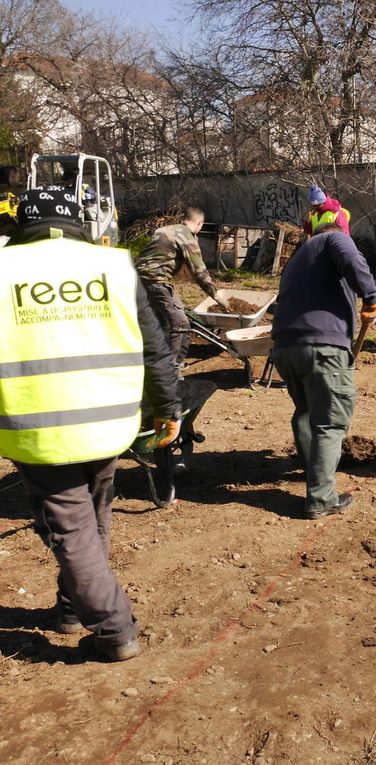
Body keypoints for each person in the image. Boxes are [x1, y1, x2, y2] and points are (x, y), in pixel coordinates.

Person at [0, 187, 181, 662]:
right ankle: (71, 608)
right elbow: (155, 347)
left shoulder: (3, 269)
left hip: (38, 428)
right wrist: (169, 409)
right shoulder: (115, 267)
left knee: (71, 530)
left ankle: (114, 629)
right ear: (82, 222)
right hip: (109, 423)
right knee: (93, 517)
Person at [271, 222, 376, 519]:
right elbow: (348, 253)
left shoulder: (297, 260)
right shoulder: (333, 238)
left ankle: (313, 473)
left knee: (306, 412)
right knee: (330, 422)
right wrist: (371, 296)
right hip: (323, 347)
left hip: (286, 349)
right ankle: (321, 498)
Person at [134, 206, 229, 373]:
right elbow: (198, 270)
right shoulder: (185, 236)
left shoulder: (163, 230)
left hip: (137, 281)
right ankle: (169, 371)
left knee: (168, 322)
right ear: (199, 223)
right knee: (180, 325)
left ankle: (164, 363)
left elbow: (159, 258)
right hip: (155, 282)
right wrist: (217, 296)